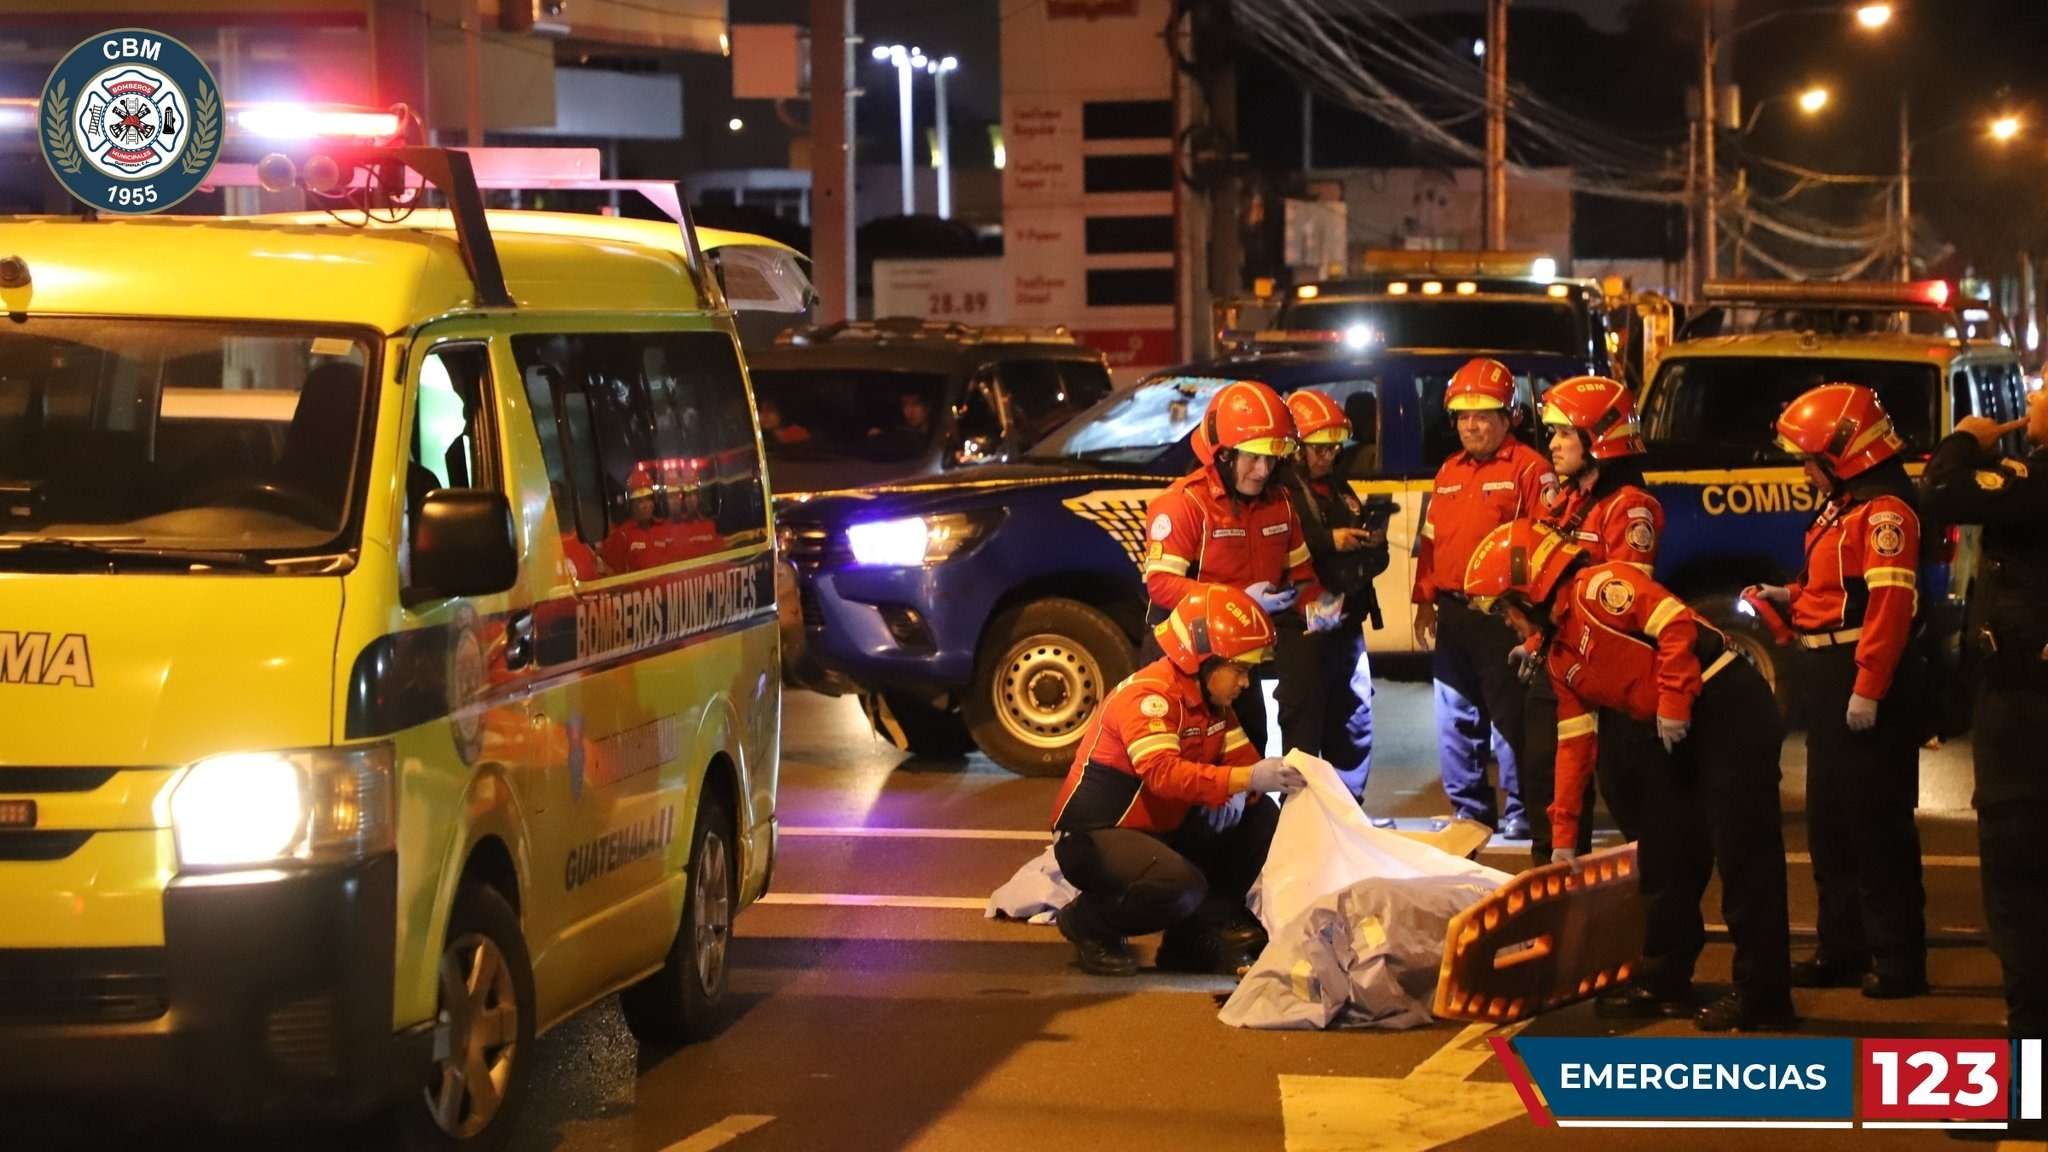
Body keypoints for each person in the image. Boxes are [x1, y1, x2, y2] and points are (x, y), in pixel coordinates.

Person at [1464, 520, 1794, 1032]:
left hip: (1725, 704)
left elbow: (1677, 623)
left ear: (1529, 592)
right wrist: (1564, 838)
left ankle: (1765, 995)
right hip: (1676, 722)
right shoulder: (1560, 654)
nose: (1506, 622)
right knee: (1665, 851)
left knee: (1743, 852)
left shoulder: (1600, 589)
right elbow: (1574, 746)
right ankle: (1665, 978)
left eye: (1505, 609)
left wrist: (1674, 699)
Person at [1756, 383, 1928, 1000]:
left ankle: (1899, 960)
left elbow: (1890, 605)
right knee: (1830, 822)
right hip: (1829, 674)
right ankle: (1843, 947)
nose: (1804, 472)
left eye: (1810, 460)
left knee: (1876, 824)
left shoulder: (1886, 513)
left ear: (1843, 454)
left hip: (1860, 675)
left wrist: (1869, 687)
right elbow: (1835, 588)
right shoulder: (1844, 505)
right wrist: (1788, 598)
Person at [1050, 584, 1310, 977]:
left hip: (1158, 830)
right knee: (1178, 886)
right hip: (1094, 836)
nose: (1245, 683)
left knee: (1261, 819)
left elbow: (1243, 762)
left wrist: (1243, 791)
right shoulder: (1149, 697)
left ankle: (1195, 934)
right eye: (1240, 670)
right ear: (1204, 658)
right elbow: (1163, 774)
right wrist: (1242, 780)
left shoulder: (1212, 704)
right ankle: (1088, 923)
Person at [1923, 384, 2048, 1109]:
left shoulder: (2034, 484)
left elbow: (1941, 492)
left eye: (2043, 390)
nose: (2031, 398)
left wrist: (1967, 438)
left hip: (2028, 721)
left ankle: (2029, 1087)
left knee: (2022, 899)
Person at [1142, 379, 1335, 756]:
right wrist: (1238, 601)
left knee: (1254, 752)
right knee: (1187, 763)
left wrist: (1323, 617)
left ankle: (1301, 783)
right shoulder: (1184, 504)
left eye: (1271, 459)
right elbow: (1162, 586)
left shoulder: (1280, 503)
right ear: (1224, 455)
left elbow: (1303, 577)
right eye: (1252, 458)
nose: (1263, 471)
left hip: (1242, 659)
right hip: (1187, 658)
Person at [1520, 375, 1662, 863]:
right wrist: (1536, 641)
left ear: (1598, 439)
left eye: (1564, 433)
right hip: (1563, 659)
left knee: (1626, 792)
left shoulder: (1629, 508)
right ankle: (1557, 882)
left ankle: (1655, 893)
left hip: (1607, 674)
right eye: (1553, 433)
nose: (1553, 445)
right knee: (1545, 780)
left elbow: (1623, 606)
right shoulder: (1573, 500)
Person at [1413, 357, 1555, 838]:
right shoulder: (1449, 471)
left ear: (1508, 417)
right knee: (1454, 717)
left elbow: (1545, 546)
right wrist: (1425, 599)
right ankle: (1471, 813)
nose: (1470, 426)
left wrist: (1529, 616)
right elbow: (1431, 542)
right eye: (1463, 416)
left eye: (1482, 415)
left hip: (1503, 616)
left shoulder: (1531, 470)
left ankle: (1522, 811)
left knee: (1510, 718)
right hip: (1454, 614)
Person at [1274, 388, 1388, 802]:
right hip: (1305, 629)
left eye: (1334, 449)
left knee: (1353, 721)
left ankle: (1347, 812)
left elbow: (1364, 548)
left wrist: (1370, 545)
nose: (1328, 457)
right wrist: (1329, 540)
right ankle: (1302, 816)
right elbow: (1282, 547)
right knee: (1304, 725)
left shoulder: (1338, 487)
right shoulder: (1280, 492)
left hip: (1345, 623)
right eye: (1319, 449)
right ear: (1295, 449)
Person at [600, 462, 672, 573]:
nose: (646, 506)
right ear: (631, 505)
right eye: (640, 501)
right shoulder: (622, 535)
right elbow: (614, 574)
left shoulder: (664, 528)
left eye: (648, 499)